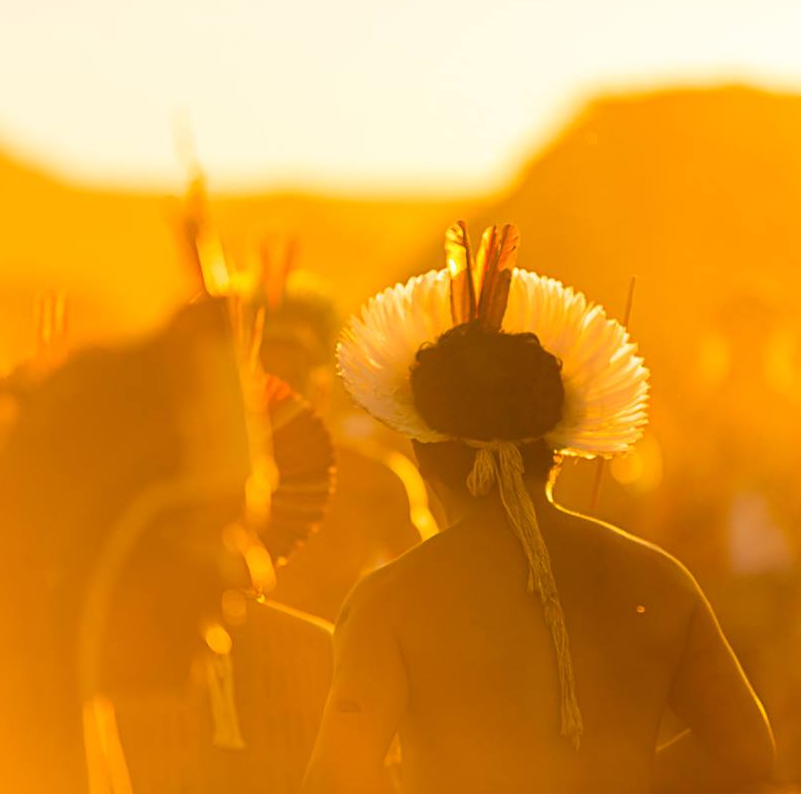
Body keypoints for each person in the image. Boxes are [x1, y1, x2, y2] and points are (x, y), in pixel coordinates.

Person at [303, 223, 773, 793]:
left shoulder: (390, 601)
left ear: (424, 455)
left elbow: (337, 781)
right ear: (556, 448)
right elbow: (747, 753)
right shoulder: (658, 580)